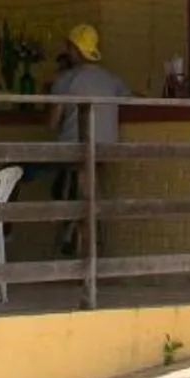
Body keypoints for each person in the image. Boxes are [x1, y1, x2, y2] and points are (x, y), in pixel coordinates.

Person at [45, 25, 132, 254]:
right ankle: (78, 234)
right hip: (106, 150)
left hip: (73, 152)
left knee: (59, 183)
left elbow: (52, 123)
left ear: (73, 49)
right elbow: (131, 101)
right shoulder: (112, 79)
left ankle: (69, 232)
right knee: (80, 184)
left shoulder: (65, 80)